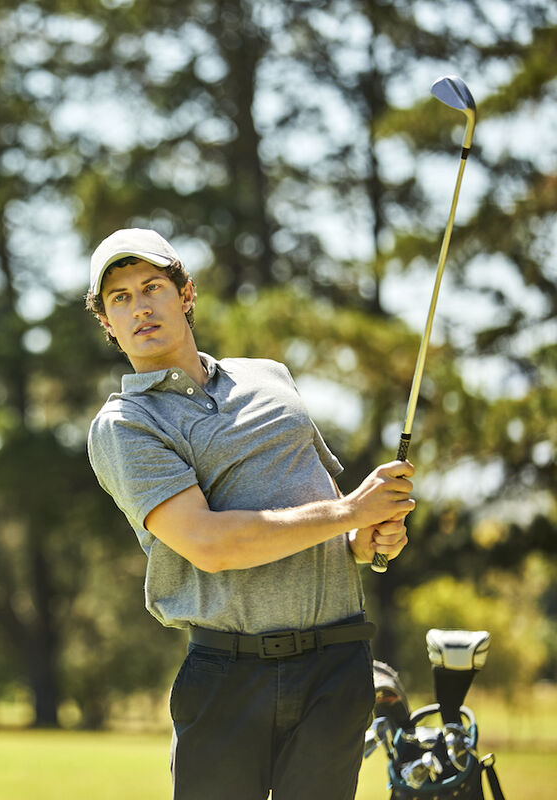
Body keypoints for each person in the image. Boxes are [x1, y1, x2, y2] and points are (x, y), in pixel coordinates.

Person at [84, 229, 415, 799]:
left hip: (336, 665)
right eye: (119, 297)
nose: (139, 307)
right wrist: (349, 512)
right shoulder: (126, 425)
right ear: (107, 323)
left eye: (152, 287)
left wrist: (366, 539)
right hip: (229, 674)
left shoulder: (270, 376)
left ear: (186, 293)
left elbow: (323, 509)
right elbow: (210, 545)